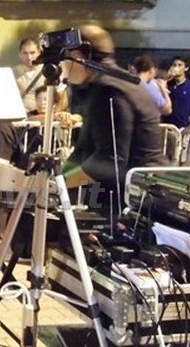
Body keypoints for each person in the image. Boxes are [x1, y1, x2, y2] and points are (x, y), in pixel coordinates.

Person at [62, 26, 165, 217]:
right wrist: (59, 176)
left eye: (65, 57)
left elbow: (110, 158)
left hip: (132, 196)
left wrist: (60, 183)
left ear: (78, 56)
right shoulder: (111, 82)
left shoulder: (109, 89)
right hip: (125, 189)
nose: (64, 66)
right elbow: (86, 148)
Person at [163, 56, 190, 129]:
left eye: (179, 65)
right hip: (166, 126)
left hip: (183, 127)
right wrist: (168, 77)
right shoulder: (167, 84)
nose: (176, 68)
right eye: (174, 65)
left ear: (186, 68)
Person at [14, 37, 43, 114]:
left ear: (39, 53)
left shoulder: (48, 71)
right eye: (25, 53)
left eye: (32, 53)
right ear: (19, 54)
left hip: (42, 118)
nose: (29, 57)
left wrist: (53, 114)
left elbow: (63, 99)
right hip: (19, 117)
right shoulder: (12, 73)